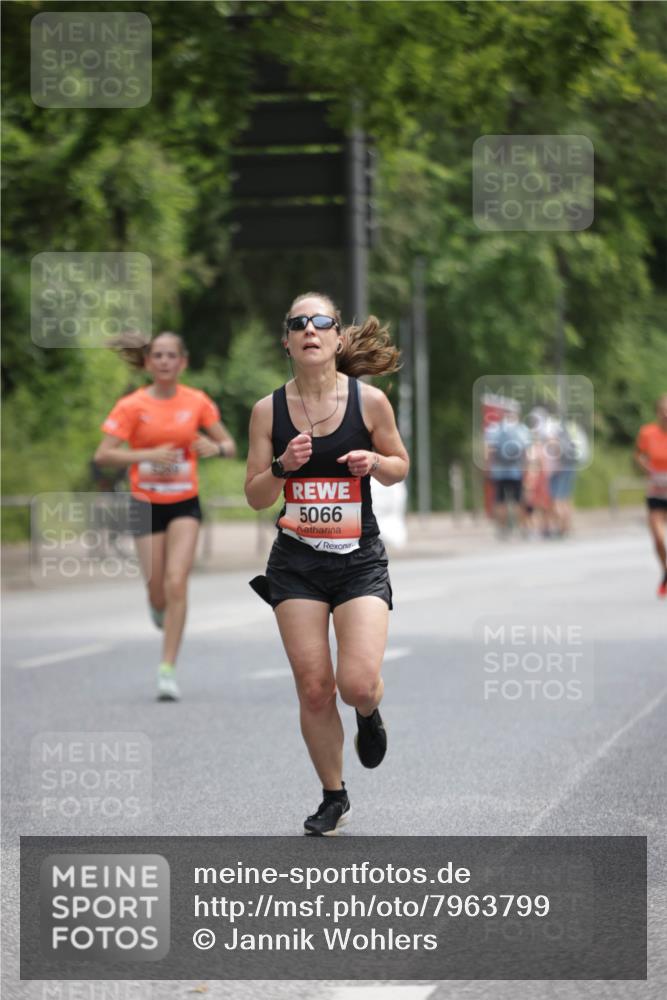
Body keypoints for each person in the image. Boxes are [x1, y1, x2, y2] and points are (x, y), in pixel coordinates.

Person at [245, 292, 409, 835]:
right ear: (287, 341)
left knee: (356, 682)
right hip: (296, 563)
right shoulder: (268, 411)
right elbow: (255, 495)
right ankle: (334, 795)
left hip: (358, 558)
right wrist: (281, 465)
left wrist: (376, 461)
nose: (310, 330)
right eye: (299, 323)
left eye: (321, 322)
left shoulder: (370, 403)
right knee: (315, 687)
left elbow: (399, 468)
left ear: (338, 338)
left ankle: (368, 711)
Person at [94, 331, 236, 699]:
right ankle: (157, 607)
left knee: (177, 581)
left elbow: (230, 445)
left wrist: (214, 447)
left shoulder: (197, 401)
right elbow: (103, 455)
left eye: (171, 355)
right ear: (147, 362)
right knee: (157, 589)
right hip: (145, 503)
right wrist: (146, 456)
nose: (164, 361)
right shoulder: (132, 406)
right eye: (157, 355)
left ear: (182, 362)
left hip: (185, 501)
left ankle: (167, 669)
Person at [635, 394, 667, 598]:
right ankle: (665, 570)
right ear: (657, 412)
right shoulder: (648, 432)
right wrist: (646, 467)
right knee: (657, 537)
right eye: (663, 410)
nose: (666, 414)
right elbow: (639, 454)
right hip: (656, 490)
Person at [484, 409, 531, 536]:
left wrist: (488, 468)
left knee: (500, 500)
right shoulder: (522, 430)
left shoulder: (494, 430)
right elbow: (526, 454)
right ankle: (520, 527)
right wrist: (526, 469)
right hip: (516, 472)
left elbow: (490, 451)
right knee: (517, 500)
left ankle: (502, 529)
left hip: (498, 471)